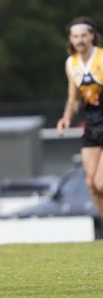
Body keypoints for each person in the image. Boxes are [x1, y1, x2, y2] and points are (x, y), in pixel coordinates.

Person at [57, 16, 103, 217]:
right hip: (92, 125)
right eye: (76, 36)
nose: (80, 40)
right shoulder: (71, 63)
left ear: (92, 36)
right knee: (91, 184)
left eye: (84, 35)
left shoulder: (101, 58)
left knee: (101, 182)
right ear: (71, 39)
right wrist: (66, 117)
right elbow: (73, 98)